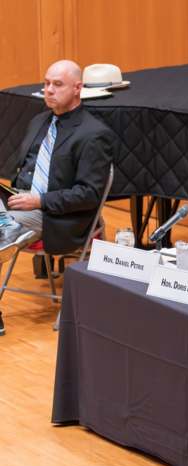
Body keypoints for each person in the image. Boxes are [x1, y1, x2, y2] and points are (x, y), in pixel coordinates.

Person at [0, 59, 114, 336]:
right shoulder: (39, 121)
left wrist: (39, 201)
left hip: (58, 214)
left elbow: (88, 194)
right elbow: (23, 173)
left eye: (57, 85)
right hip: (21, 201)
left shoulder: (94, 134)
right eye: (46, 83)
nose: (48, 90)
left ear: (78, 89)